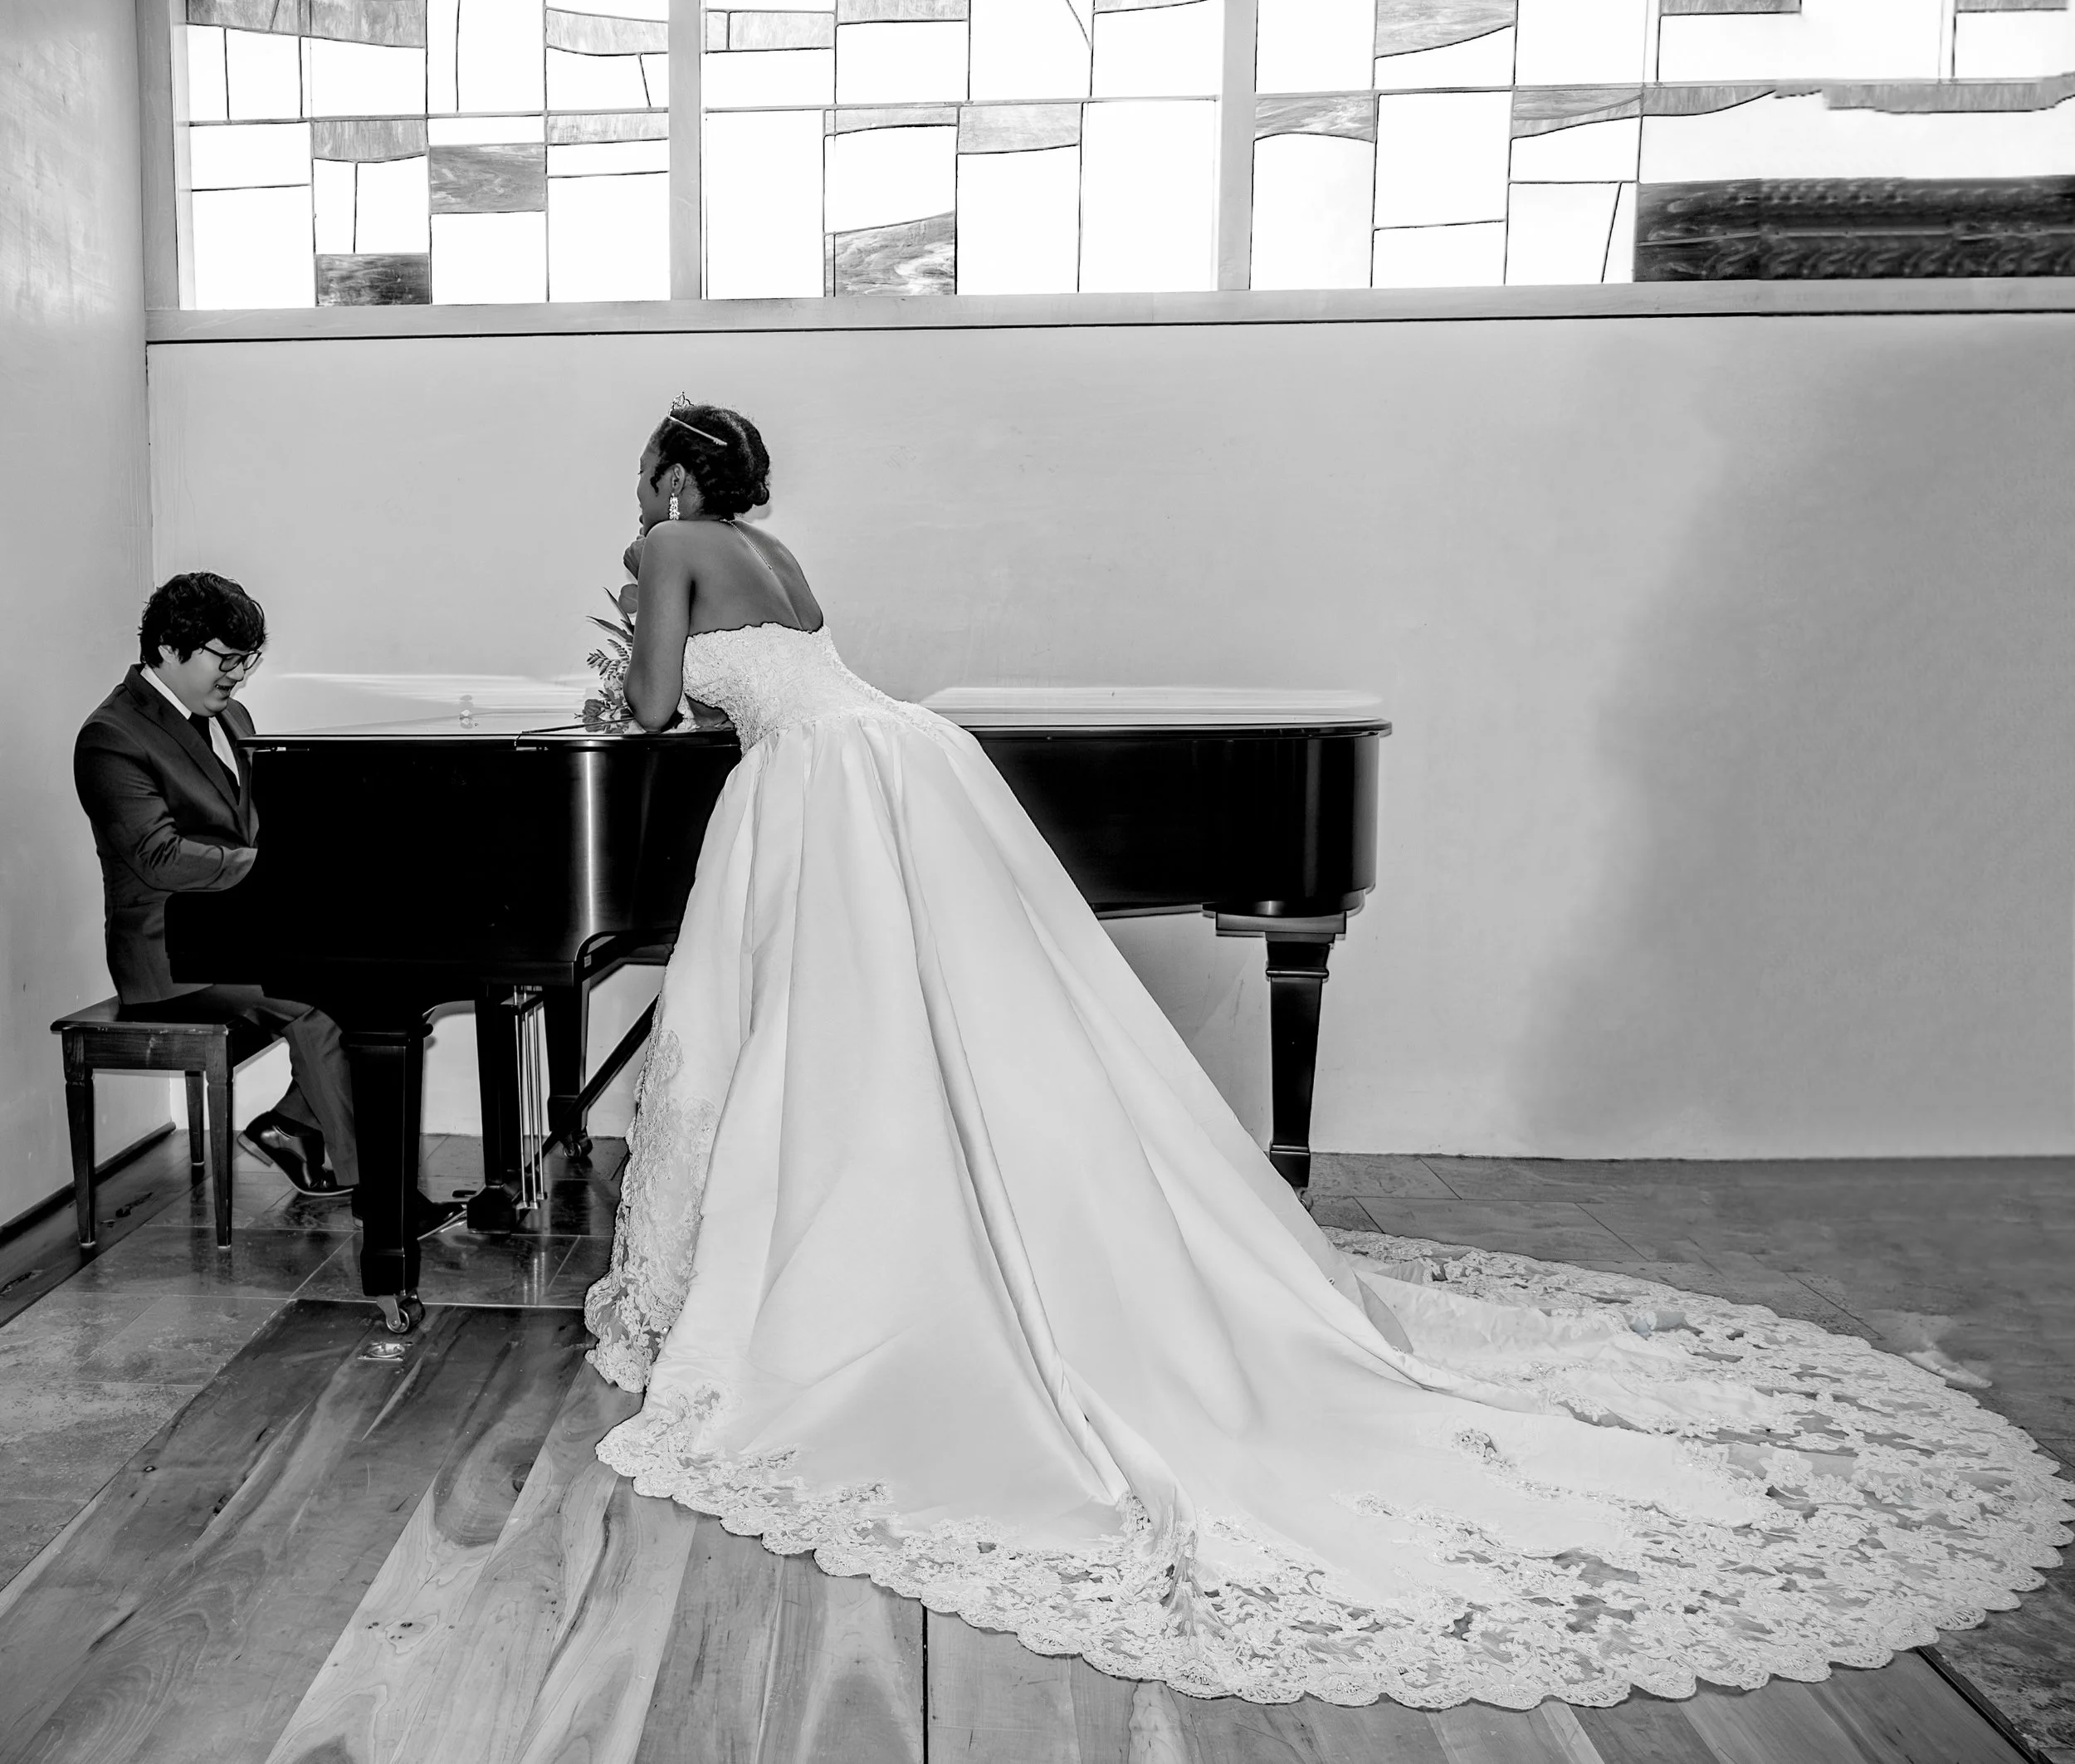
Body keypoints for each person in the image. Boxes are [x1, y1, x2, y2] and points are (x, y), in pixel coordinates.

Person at [583, 399, 2068, 1708]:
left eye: (648, 475)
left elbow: (654, 706)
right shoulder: (778, 556)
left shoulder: (669, 547)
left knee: (833, 1037)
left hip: (817, 785)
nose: (643, 497)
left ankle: (850, 1264)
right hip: (899, 757)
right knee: (929, 1029)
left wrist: (624, 652)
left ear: (673, 480)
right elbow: (774, 672)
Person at [74, 574, 458, 1234]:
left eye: (246, 660)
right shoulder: (111, 735)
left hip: (239, 933)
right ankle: (381, 1202)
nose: (238, 675)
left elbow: (258, 824)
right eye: (226, 659)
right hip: (167, 957)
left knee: (376, 982)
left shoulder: (232, 718)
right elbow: (159, 856)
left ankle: (293, 1127)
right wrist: (276, 871)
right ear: (167, 647)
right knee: (319, 1004)